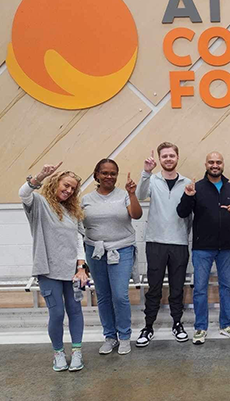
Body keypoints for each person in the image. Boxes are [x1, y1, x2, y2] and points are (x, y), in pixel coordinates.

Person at [20, 163, 88, 372]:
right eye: (66, 185)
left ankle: (76, 352)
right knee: (57, 313)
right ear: (56, 182)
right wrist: (40, 175)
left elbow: (79, 240)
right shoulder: (39, 204)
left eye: (73, 189)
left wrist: (81, 267)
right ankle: (58, 353)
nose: (68, 191)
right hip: (48, 269)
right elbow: (24, 194)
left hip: (72, 271)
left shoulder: (74, 212)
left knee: (75, 311)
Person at [177, 151, 230, 344]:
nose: (215, 165)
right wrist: (188, 197)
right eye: (211, 162)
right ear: (205, 164)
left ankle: (226, 325)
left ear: (223, 164)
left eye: (218, 162)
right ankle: (200, 327)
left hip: (228, 248)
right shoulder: (196, 188)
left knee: (226, 288)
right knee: (199, 289)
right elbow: (182, 213)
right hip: (202, 248)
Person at [135, 143, 192, 347]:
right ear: (159, 159)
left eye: (172, 155)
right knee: (154, 288)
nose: (168, 159)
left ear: (177, 157)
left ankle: (177, 324)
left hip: (179, 243)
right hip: (155, 242)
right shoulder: (152, 180)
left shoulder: (187, 182)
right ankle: (148, 326)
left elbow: (189, 212)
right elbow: (140, 196)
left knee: (177, 288)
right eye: (165, 156)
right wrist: (146, 172)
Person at [83, 158, 142, 356]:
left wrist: (133, 194)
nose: (109, 176)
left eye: (113, 173)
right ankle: (110, 336)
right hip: (95, 251)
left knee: (120, 295)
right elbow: (76, 224)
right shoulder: (86, 199)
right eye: (105, 173)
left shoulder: (124, 195)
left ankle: (124, 336)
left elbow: (136, 215)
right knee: (103, 296)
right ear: (97, 175)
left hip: (121, 249)